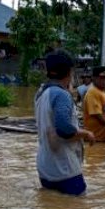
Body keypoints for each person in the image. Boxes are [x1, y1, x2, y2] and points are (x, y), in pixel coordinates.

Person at [34, 50, 95, 196]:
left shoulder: (40, 92)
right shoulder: (61, 94)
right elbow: (63, 129)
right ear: (69, 72)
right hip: (65, 168)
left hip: (45, 167)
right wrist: (86, 133)